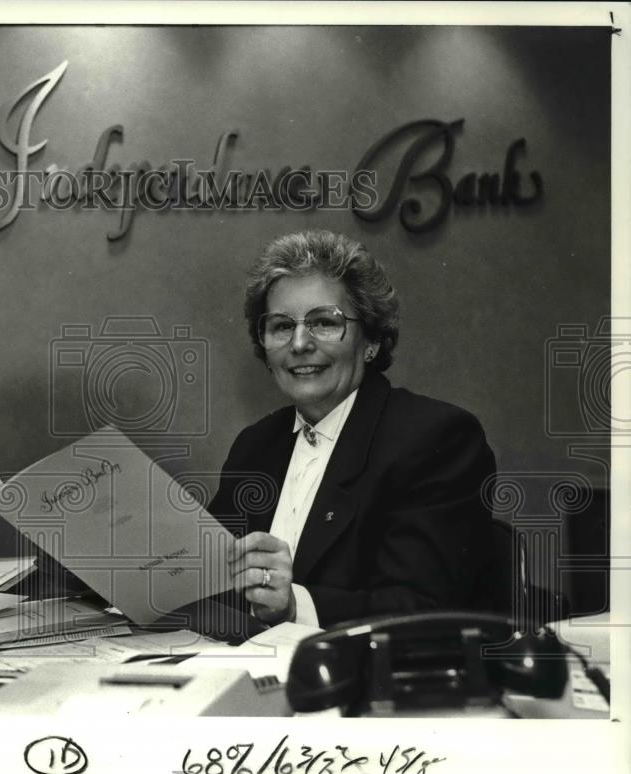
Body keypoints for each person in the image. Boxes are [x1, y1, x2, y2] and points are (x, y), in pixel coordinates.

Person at [209, 229, 497, 629]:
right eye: (280, 326)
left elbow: (424, 607)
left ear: (372, 341)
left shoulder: (437, 438)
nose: (299, 344)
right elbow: (210, 582)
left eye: (324, 322)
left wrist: (295, 606)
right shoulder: (254, 445)